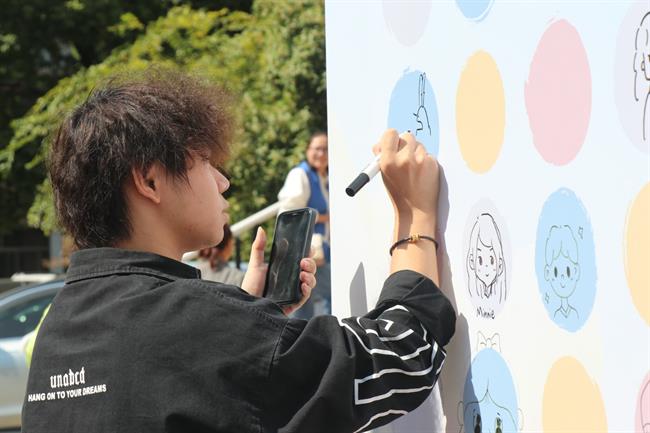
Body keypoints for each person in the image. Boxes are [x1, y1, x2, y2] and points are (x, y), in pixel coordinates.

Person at [22, 70, 456, 433]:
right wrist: (415, 215)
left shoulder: (59, 329)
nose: (223, 181)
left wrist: (248, 318)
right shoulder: (197, 324)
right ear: (150, 181)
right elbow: (404, 356)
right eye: (205, 161)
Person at [278, 131, 331, 318]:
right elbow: (290, 213)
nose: (321, 153)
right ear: (308, 150)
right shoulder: (300, 174)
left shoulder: (326, 178)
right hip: (306, 252)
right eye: (317, 148)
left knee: (312, 303)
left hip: (323, 252)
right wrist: (325, 217)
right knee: (308, 303)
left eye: (326, 149)